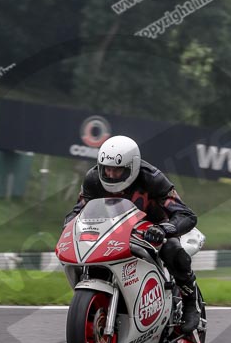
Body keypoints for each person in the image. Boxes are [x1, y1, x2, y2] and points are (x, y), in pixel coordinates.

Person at [63, 135, 201, 332]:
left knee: (172, 249)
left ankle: (190, 302)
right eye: (106, 169)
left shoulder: (152, 178)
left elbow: (185, 214)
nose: (110, 174)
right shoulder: (93, 178)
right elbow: (79, 209)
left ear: (131, 167)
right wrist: (69, 224)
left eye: (116, 169)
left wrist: (164, 229)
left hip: (153, 227)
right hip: (111, 229)